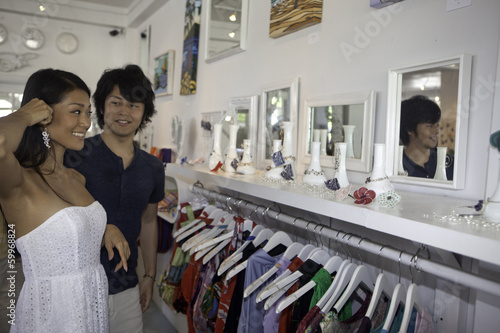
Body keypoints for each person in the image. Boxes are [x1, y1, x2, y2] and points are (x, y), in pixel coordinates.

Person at [0, 68, 130, 332]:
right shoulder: (20, 181)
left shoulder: (75, 178)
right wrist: (23, 115)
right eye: (76, 111)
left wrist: (104, 227)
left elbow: (66, 227)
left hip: (91, 303)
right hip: (51, 314)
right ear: (43, 114)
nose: (86, 123)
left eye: (88, 113)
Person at [65, 64, 165, 333]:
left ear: (144, 112)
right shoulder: (74, 155)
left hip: (125, 284)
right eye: (116, 102)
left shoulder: (153, 167)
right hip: (75, 285)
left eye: (134, 105)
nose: (124, 112)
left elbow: (149, 222)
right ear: (101, 107)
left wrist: (149, 276)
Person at [400, 95, 453, 180]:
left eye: (437, 125)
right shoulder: (397, 165)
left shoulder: (448, 163)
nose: (436, 131)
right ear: (410, 129)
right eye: (429, 126)